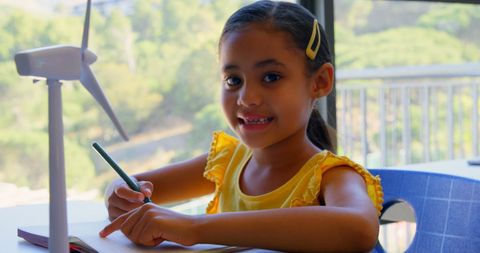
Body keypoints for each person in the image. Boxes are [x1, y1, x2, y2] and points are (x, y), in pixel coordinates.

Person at [99, 1, 383, 252]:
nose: (247, 99)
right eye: (233, 80)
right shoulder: (226, 161)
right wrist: (120, 195)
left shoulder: (331, 176)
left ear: (320, 82)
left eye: (271, 77)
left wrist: (195, 228)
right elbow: (128, 184)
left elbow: (359, 228)